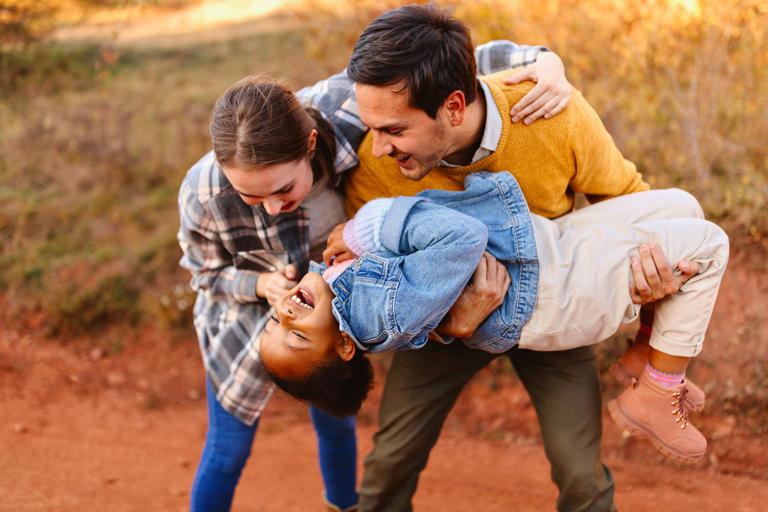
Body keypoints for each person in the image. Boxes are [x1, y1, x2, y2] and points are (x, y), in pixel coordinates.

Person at [177, 38, 573, 511]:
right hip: (244, 318)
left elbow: (445, 67)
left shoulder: (345, 104)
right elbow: (204, 274)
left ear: (310, 144)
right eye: (250, 197)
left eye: (285, 189)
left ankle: (343, 506)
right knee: (228, 448)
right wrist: (260, 285)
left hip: (339, 305)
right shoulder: (202, 194)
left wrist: (546, 63)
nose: (272, 208)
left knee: (336, 424)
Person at [333, 4, 700, 511]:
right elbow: (377, 278)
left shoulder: (554, 116)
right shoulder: (375, 171)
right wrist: (450, 324)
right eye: (373, 128)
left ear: (454, 107)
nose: (376, 150)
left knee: (580, 472)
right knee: (390, 462)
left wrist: (655, 280)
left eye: (394, 131)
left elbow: (629, 206)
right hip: (440, 323)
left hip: (553, 308)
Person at [260, 171, 729, 464]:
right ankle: (657, 389)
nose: (285, 314)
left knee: (682, 207)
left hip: (536, 246)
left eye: (273, 322)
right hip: (545, 294)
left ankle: (645, 355)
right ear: (344, 346)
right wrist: (372, 225)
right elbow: (463, 238)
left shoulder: (341, 285)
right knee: (709, 245)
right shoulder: (371, 311)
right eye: (296, 337)